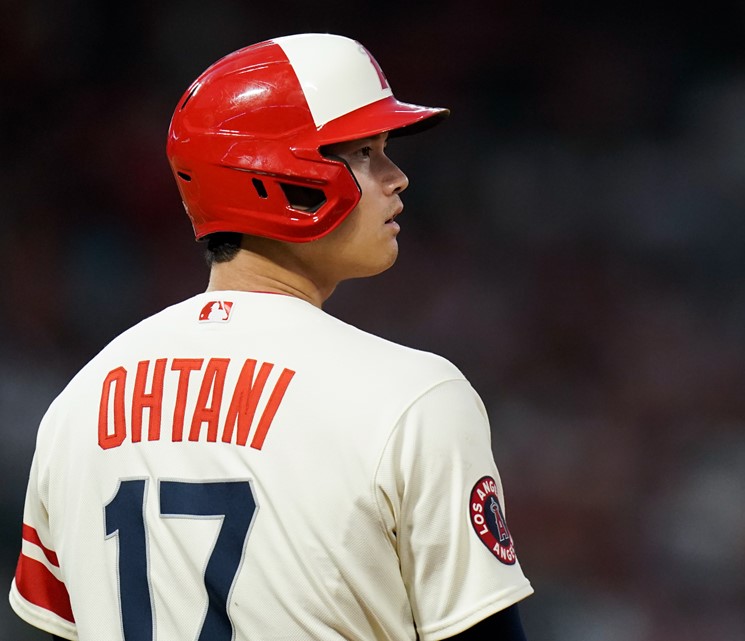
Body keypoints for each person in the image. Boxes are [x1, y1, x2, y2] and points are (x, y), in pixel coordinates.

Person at [9, 33, 532, 641]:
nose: (398, 178)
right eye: (366, 152)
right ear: (281, 176)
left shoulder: (79, 401)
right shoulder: (413, 396)